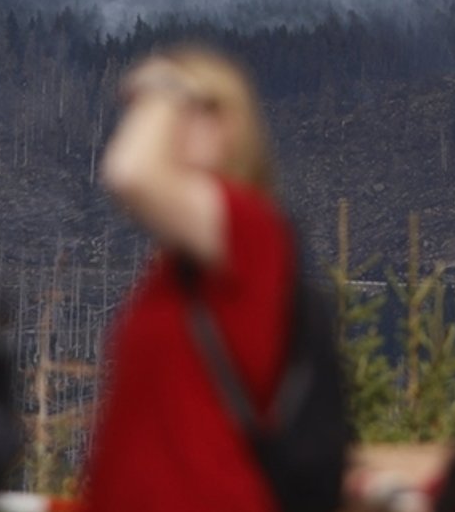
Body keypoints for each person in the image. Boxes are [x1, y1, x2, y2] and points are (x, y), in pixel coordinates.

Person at [83, 45, 297, 512]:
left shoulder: (253, 232)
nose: (168, 125)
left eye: (194, 109)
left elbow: (132, 173)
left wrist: (161, 86)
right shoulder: (177, 273)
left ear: (232, 128)